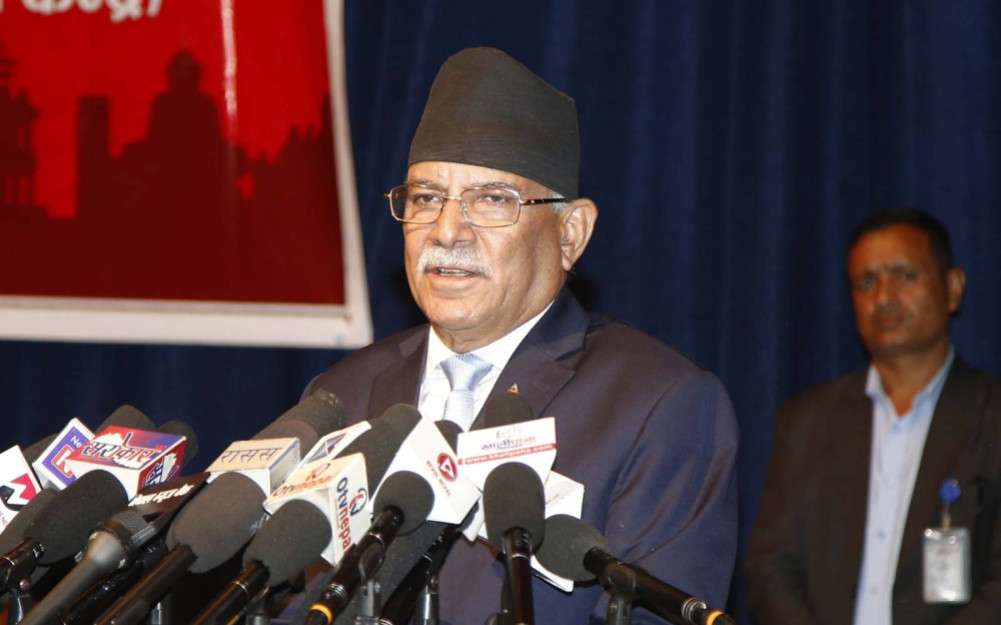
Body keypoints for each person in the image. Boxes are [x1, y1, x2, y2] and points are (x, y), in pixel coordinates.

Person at [305, 47, 738, 625]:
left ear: (571, 233)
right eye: (427, 198)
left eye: (491, 200)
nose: (447, 231)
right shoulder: (342, 393)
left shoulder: (656, 406)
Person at [746, 209, 1001, 625]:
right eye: (866, 282)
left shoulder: (992, 416)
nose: (883, 296)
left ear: (953, 288)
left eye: (905, 275)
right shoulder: (806, 421)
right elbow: (769, 567)